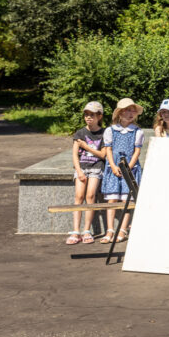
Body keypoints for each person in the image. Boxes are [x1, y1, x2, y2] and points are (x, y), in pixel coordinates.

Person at [100, 98, 144, 244]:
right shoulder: (110, 130)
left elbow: (137, 151)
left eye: (133, 110)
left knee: (127, 199)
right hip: (114, 167)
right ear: (119, 113)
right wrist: (112, 165)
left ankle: (123, 229)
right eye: (127, 110)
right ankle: (110, 229)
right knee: (112, 199)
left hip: (130, 168)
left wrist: (129, 168)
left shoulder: (137, 131)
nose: (131, 113)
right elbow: (108, 149)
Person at [66, 101, 106, 245]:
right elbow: (75, 154)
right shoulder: (80, 133)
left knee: (90, 195)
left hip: (96, 167)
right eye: (86, 115)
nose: (89, 118)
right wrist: (78, 170)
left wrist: (86, 147)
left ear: (99, 116)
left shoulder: (104, 133)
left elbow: (103, 155)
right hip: (82, 167)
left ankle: (87, 230)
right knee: (79, 196)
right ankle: (76, 230)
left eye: (92, 115)